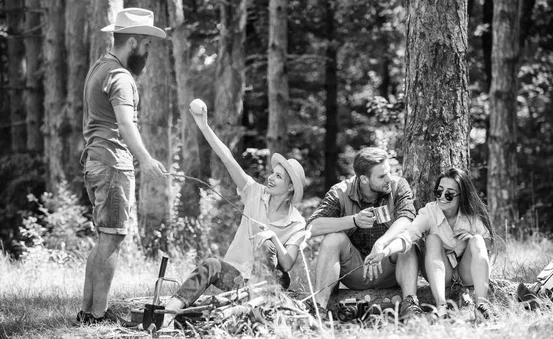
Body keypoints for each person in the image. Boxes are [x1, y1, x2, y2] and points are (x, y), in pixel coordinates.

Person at [161, 101, 308, 328]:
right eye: (273, 173)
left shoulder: (297, 222)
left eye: (279, 177)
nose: (271, 177)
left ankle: (256, 308)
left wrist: (272, 236)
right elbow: (228, 159)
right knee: (210, 264)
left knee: (267, 244)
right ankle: (168, 313)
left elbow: (287, 264)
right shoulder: (254, 193)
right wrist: (204, 127)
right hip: (239, 279)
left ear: (290, 188)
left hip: (268, 286)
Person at [77, 8, 168, 324]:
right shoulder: (120, 77)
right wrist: (145, 159)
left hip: (96, 161)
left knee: (105, 237)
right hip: (113, 164)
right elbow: (126, 125)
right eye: (146, 45)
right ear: (133, 41)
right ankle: (98, 315)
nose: (147, 52)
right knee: (112, 237)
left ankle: (87, 311)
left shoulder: (100, 67)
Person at [366, 167, 495, 320]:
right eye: (439, 192)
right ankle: (441, 308)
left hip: (466, 272)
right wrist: (385, 252)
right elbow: (408, 236)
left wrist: (471, 237)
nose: (442, 197)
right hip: (440, 273)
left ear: (462, 195)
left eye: (449, 194)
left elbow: (488, 243)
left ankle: (481, 306)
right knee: (433, 239)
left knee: (477, 239)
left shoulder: (471, 214)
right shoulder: (430, 212)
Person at [307, 147, 421, 318]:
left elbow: (407, 218)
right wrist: (353, 220)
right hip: (356, 271)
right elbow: (312, 227)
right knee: (332, 238)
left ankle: (410, 305)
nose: (389, 178)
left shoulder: (398, 185)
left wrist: (381, 244)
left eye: (388, 172)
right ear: (364, 179)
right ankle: (319, 309)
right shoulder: (340, 191)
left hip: (390, 265)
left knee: (405, 240)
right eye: (382, 176)